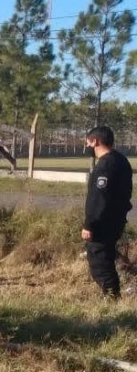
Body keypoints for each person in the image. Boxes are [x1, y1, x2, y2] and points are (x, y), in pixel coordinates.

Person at [82, 125, 132, 298]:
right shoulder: (121, 160)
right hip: (117, 219)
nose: (87, 146)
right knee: (107, 258)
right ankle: (113, 295)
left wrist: (89, 224)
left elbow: (98, 199)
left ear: (95, 141)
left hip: (103, 222)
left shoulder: (105, 166)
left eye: (87, 142)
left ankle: (112, 298)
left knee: (100, 262)